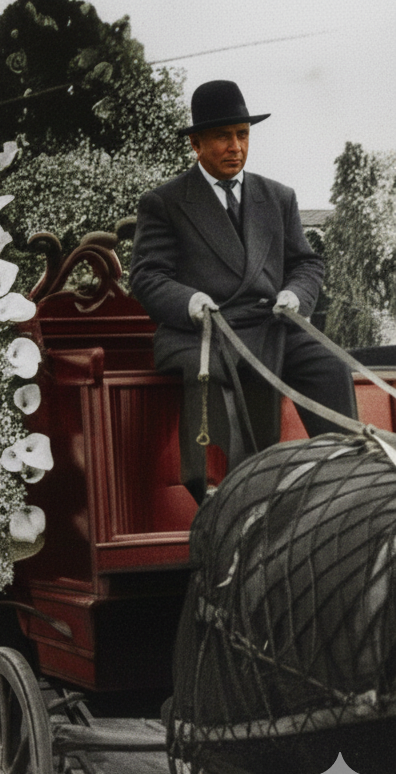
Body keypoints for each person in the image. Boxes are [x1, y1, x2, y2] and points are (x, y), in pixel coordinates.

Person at [129, 79, 356, 502]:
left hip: (271, 325)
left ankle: (347, 480)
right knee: (215, 382)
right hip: (204, 332)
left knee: (328, 363)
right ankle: (228, 497)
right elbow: (146, 276)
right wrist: (190, 301)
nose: (236, 146)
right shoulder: (164, 202)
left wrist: (295, 296)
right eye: (222, 136)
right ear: (195, 143)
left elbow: (306, 262)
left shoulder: (278, 197)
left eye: (243, 134)